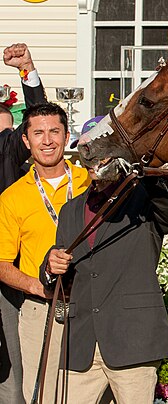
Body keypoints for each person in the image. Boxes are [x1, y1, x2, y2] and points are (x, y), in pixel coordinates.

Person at [40, 154, 168, 403]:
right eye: (89, 154)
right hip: (81, 343)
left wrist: (147, 173)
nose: (95, 160)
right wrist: (50, 266)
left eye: (104, 154)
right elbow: (62, 271)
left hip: (132, 340)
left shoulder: (144, 198)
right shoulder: (70, 210)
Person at [0, 103, 91, 403]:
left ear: (67, 137)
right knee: (43, 396)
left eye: (54, 131)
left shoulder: (90, 182)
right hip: (41, 309)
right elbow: (1, 263)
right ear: (26, 141)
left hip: (94, 305)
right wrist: (36, 287)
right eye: (38, 133)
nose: (47, 140)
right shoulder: (12, 196)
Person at [0, 43, 47, 404]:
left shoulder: (7, 148)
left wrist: (27, 71)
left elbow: (38, 121)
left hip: (4, 280)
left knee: (13, 382)